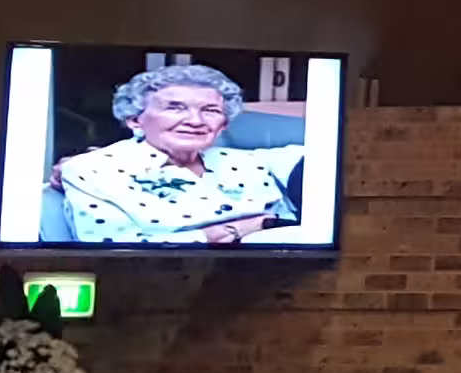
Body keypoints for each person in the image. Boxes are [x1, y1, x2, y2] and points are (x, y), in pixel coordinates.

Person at [52, 62, 305, 246]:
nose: (195, 121)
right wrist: (232, 231)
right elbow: (109, 246)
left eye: (210, 110)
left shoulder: (251, 162)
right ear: (134, 120)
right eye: (175, 108)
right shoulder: (93, 171)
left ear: (224, 124)